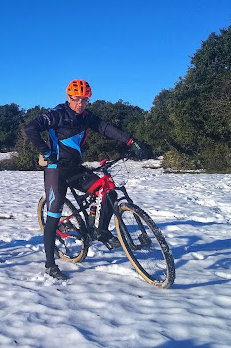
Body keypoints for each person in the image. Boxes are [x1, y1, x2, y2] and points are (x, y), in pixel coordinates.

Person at [24, 79, 147, 280]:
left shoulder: (87, 116)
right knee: (53, 215)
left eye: (84, 100)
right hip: (56, 170)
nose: (80, 104)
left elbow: (106, 128)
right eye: (76, 99)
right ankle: (50, 265)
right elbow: (30, 129)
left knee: (107, 192)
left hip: (76, 168)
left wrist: (131, 141)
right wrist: (46, 153)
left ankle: (100, 231)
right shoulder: (56, 114)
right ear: (68, 98)